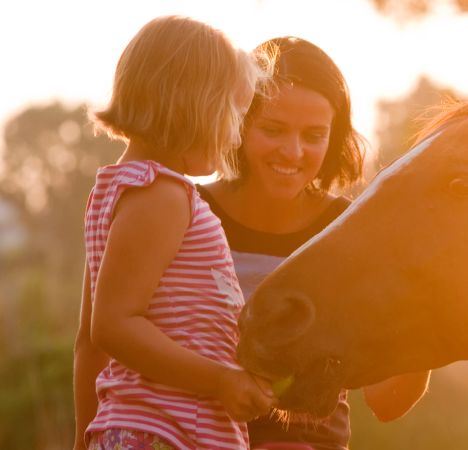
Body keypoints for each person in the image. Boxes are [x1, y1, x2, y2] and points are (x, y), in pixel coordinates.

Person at [198, 36, 430, 450]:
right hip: (196, 436)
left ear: (335, 136)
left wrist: (428, 306)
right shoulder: (189, 213)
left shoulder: (351, 227)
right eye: (273, 129)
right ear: (239, 123)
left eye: (314, 136)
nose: (293, 151)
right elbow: (110, 339)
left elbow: (385, 400)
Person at [72, 15, 274, 450]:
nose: (236, 135)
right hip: (166, 430)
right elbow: (112, 325)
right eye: (236, 112)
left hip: (141, 430)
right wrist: (221, 380)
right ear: (196, 105)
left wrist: (83, 435)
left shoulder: (120, 190)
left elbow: (88, 342)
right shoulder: (162, 194)